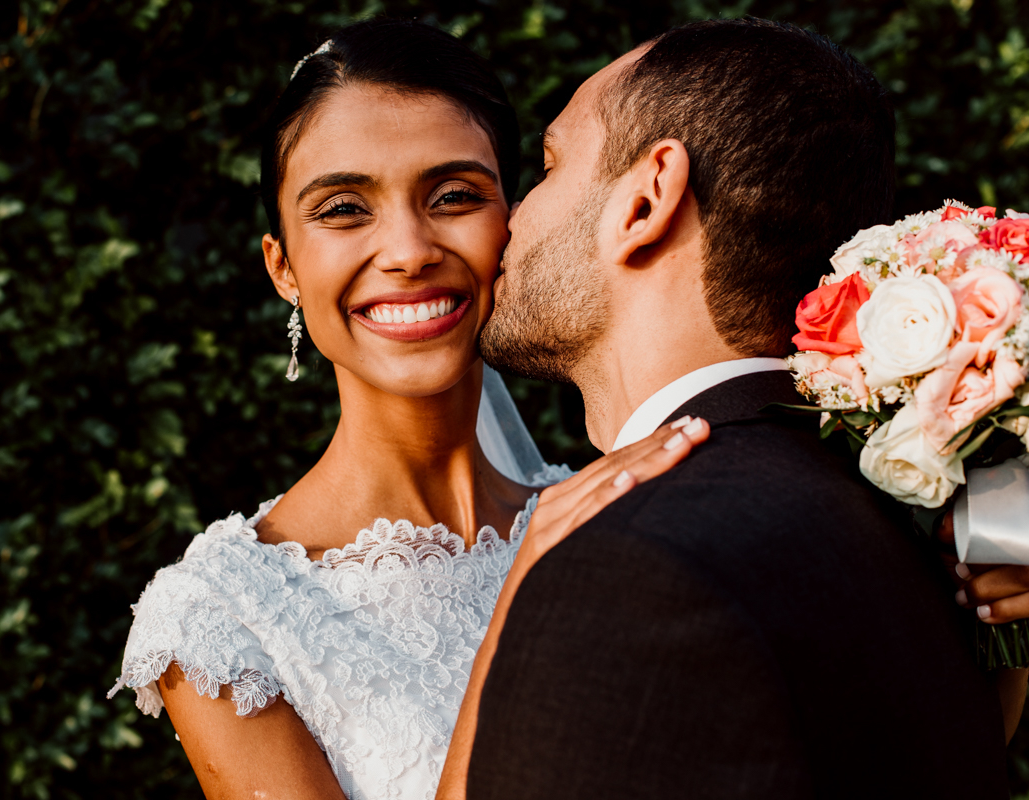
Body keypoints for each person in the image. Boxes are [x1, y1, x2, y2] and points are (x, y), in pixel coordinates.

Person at [107, 18, 708, 800]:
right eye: (343, 209)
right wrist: (520, 613)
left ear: (514, 222)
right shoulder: (223, 617)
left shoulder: (613, 510)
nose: (409, 251)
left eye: (454, 196)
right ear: (283, 268)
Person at [440, 18, 1022, 800]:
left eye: (549, 167)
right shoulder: (941, 542)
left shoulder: (633, 568)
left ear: (646, 200)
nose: (511, 218)